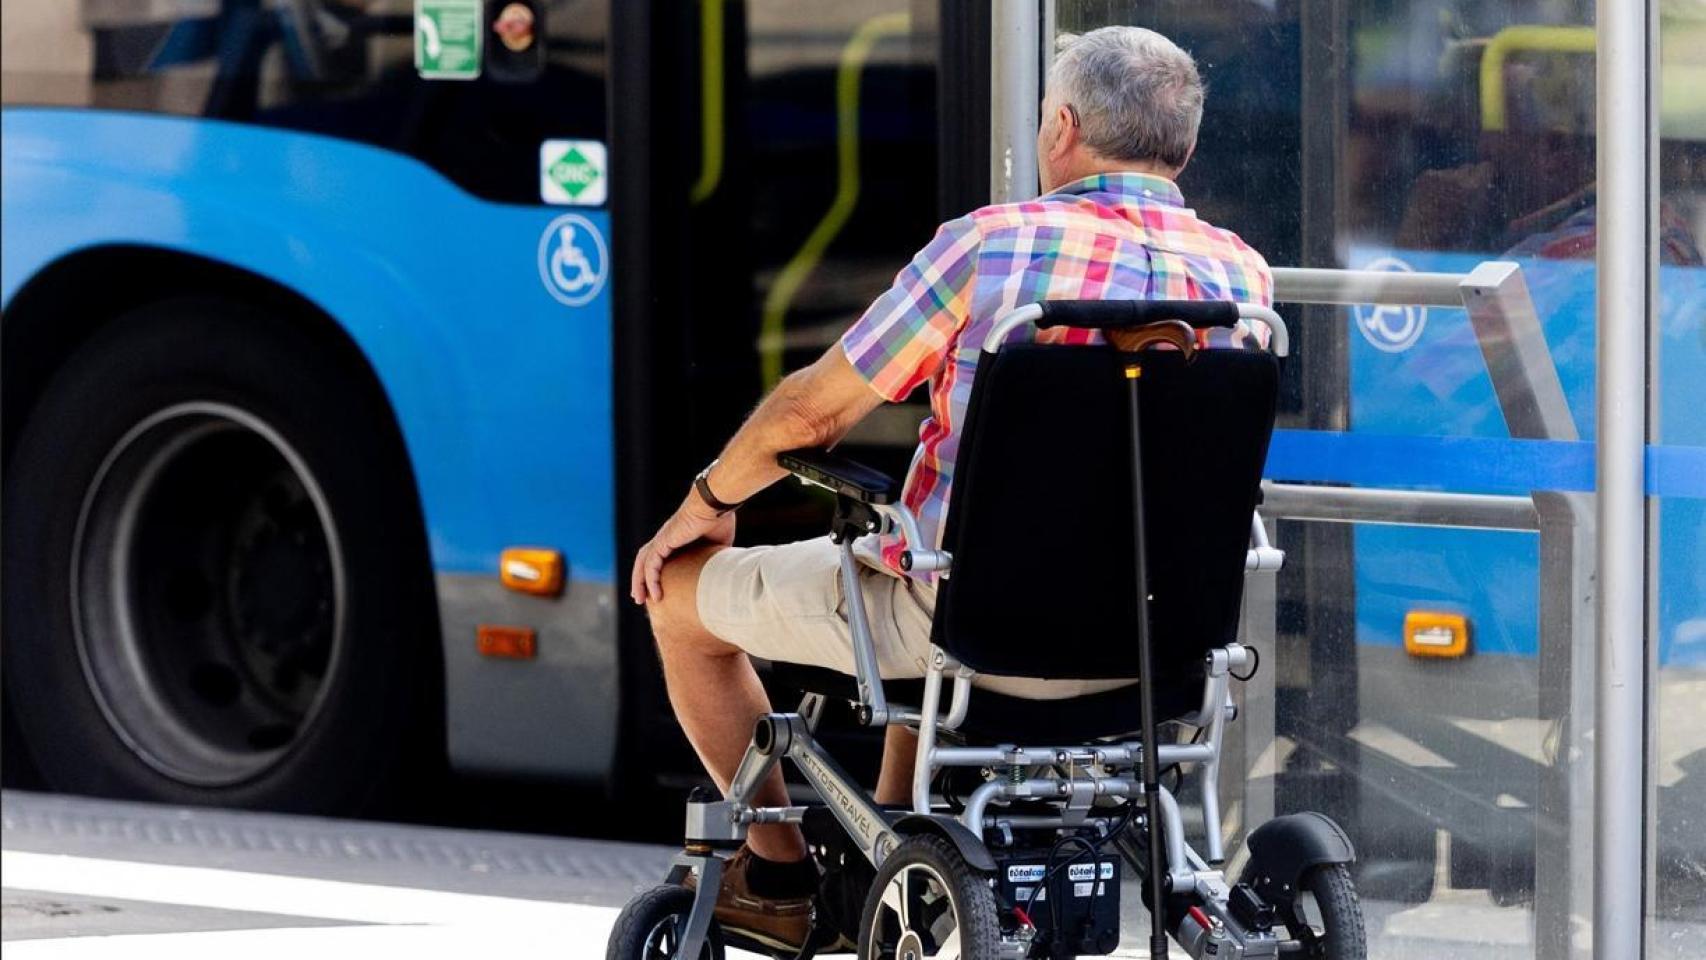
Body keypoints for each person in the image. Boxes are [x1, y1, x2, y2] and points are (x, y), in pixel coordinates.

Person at [629, 25, 1272, 951]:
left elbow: (811, 416)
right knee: (926, 561)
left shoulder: (988, 250)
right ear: (1185, 144)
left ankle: (773, 870)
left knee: (679, 598)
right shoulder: (1240, 278)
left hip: (972, 626)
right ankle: (884, 853)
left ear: (1062, 127)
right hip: (1158, 646)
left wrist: (706, 504)